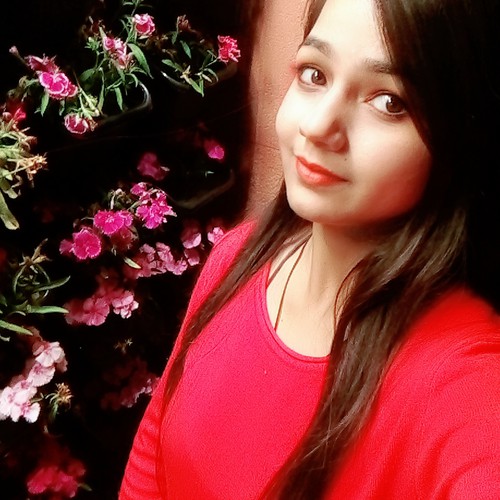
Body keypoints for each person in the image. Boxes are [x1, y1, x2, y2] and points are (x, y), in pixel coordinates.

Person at [120, 0, 500, 497]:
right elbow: (150, 469)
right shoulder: (236, 257)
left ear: (461, 133)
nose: (318, 127)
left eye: (389, 102)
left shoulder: (462, 375)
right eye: (314, 74)